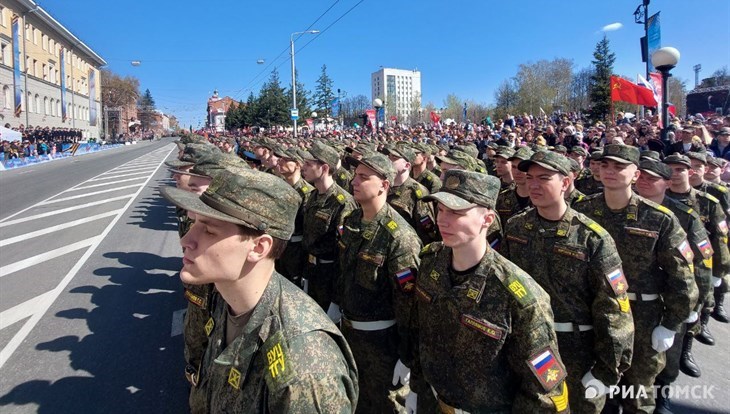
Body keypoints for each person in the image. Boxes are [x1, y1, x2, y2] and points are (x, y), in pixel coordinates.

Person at [161, 168, 358, 413]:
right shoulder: (227, 302)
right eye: (194, 224)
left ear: (259, 247)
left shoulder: (304, 363)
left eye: (209, 230)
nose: (186, 240)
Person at [409, 169, 570, 413]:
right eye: (441, 210)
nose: (442, 220)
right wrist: (416, 389)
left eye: (456, 212)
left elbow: (543, 391)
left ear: (487, 219)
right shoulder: (431, 262)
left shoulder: (520, 296)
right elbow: (422, 336)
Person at [503, 151, 634, 413]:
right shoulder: (516, 227)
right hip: (526, 345)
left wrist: (606, 370)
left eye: (544, 178)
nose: (534, 185)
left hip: (576, 351)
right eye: (530, 178)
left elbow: (613, 309)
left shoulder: (592, 238)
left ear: (565, 183)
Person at [573, 144, 697, 414]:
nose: (610, 171)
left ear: (636, 174)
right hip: (594, 313)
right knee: (594, 394)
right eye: (605, 165)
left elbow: (682, 277)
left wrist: (671, 323)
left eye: (619, 166)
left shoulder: (659, 218)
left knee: (638, 394)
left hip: (642, 315)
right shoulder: (582, 211)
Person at [334, 151, 422, 413]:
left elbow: (409, 305)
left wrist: (407, 358)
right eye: (354, 175)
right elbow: (344, 273)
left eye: (363, 177)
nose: (354, 181)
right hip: (349, 332)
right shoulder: (351, 221)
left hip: (383, 344)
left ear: (384, 185)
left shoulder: (399, 237)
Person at [634, 158, 713, 412]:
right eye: (641, 176)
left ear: (666, 184)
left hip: (671, 298)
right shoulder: (625, 207)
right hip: (635, 297)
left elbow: (701, 262)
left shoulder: (684, 216)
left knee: (667, 356)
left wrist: (694, 304)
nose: (644, 182)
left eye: (651, 178)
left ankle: (662, 395)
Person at [663, 153, 730, 348]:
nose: (675, 174)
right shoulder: (656, 197)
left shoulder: (708, 201)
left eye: (680, 170)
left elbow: (719, 239)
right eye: (670, 170)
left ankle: (688, 347)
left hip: (698, 262)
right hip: (667, 263)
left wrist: (719, 270)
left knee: (696, 309)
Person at [301, 142, 357, 310]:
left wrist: (337, 298)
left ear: (324, 168)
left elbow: (344, 255)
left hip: (330, 276)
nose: (303, 167)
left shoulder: (342, 203)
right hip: (312, 270)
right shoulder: (313, 195)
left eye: (308, 164)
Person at [383, 144, 438, 244]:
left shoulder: (417, 192)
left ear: (407, 165)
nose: (388, 160)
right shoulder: (382, 184)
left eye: (394, 158)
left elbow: (426, 227)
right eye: (389, 156)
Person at [273, 147, 312, 286]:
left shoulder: (306, 192)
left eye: (285, 159)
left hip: (296, 249)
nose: (280, 162)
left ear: (297, 165)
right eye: (280, 158)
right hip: (281, 245)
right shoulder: (281, 186)